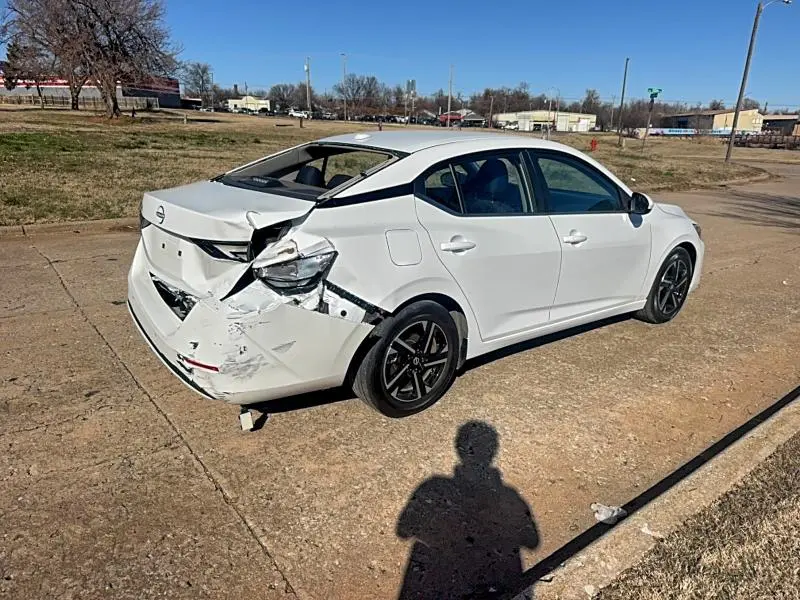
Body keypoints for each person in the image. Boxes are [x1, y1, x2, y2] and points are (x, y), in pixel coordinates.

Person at [397, 421, 539, 599]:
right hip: (489, 580)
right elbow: (531, 541)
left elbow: (403, 530)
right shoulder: (508, 496)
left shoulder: (432, 487)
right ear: (493, 452)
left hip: (439, 582)